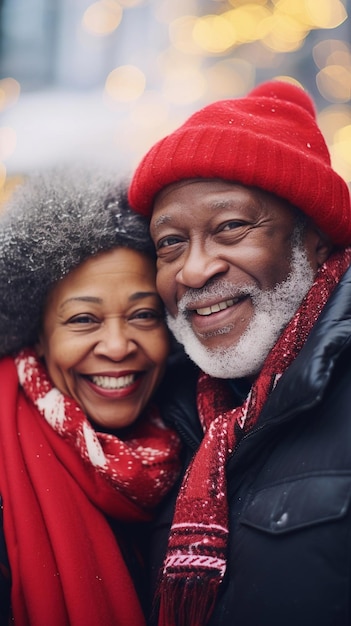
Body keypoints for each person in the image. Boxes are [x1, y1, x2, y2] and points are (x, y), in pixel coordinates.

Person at [128, 79, 351, 626]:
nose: (195, 269)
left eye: (231, 228)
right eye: (170, 243)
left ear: (314, 239)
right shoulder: (160, 419)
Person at [0, 168, 182, 626]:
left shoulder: (200, 442)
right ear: (36, 337)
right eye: (83, 319)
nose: (119, 346)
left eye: (143, 315)